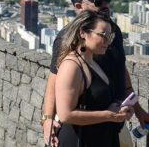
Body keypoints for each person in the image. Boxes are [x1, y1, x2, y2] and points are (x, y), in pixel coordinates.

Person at [42, 0, 149, 146]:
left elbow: (120, 68)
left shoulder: (112, 31)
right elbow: (54, 81)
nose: (105, 4)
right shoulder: (66, 40)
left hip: (113, 124)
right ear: (79, 7)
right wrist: (47, 119)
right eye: (98, 2)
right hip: (87, 128)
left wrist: (137, 108)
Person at [54, 11, 133, 146]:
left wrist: (122, 109)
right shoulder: (72, 66)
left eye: (110, 36)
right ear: (83, 33)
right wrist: (110, 115)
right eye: (103, 35)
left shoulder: (93, 62)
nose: (108, 41)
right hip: (79, 140)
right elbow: (65, 115)